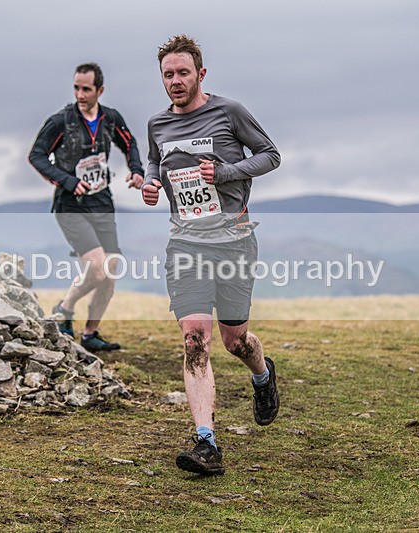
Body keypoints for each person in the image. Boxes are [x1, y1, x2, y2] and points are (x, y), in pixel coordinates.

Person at [142, 35, 282, 475]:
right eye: (168, 74)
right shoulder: (157, 125)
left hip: (235, 240)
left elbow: (269, 155)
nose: (176, 81)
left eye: (184, 72)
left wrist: (224, 172)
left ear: (201, 74)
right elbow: (154, 162)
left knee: (234, 340)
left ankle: (262, 374)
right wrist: (149, 183)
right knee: (194, 337)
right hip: (186, 242)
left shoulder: (229, 112)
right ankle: (207, 443)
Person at [29, 63, 144, 352]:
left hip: (102, 201)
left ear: (99, 90)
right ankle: (64, 310)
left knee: (111, 269)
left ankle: (90, 334)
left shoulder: (110, 118)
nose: (80, 94)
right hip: (71, 204)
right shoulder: (60, 121)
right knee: (96, 267)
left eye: (86, 89)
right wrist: (67, 181)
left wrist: (136, 170)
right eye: (76, 88)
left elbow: (129, 144)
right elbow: (37, 156)